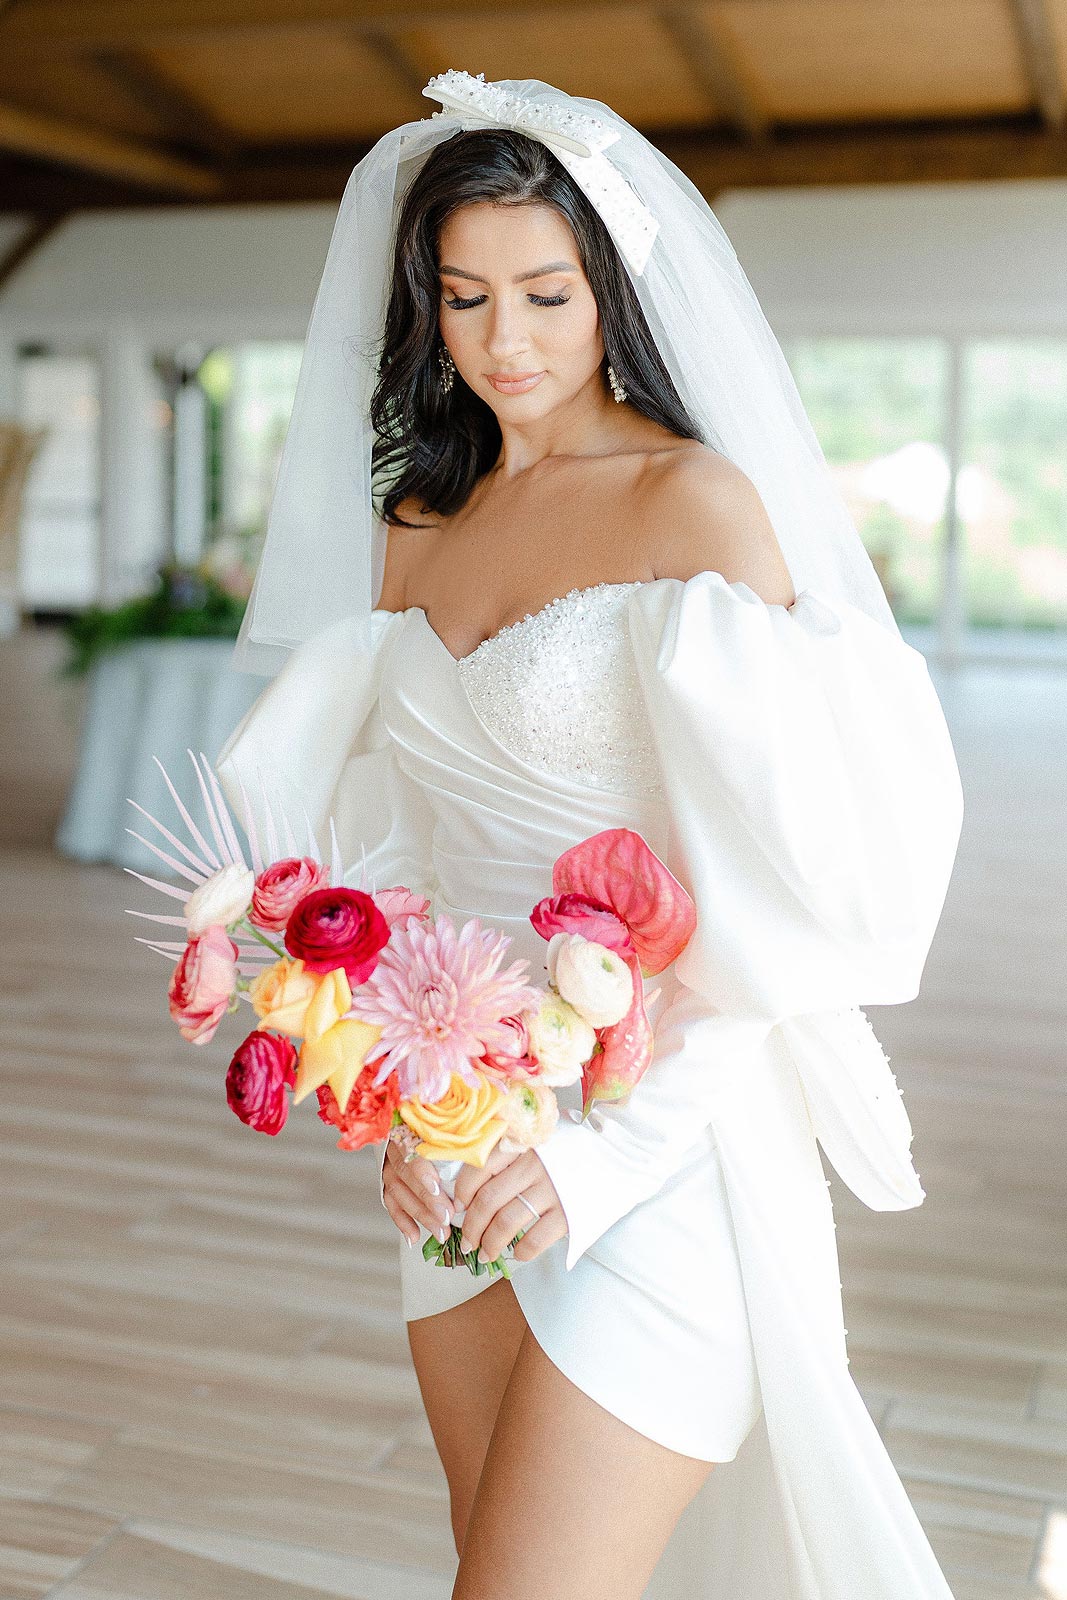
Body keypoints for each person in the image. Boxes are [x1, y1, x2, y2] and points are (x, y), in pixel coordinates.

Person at [215, 71, 966, 1600]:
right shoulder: (417, 526)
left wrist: (609, 1158)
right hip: (462, 1146)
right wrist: (389, 1099)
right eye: (467, 298)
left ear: (610, 288)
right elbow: (398, 858)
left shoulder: (694, 506)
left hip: (659, 1148)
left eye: (546, 294)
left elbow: (763, 896)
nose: (507, 344)